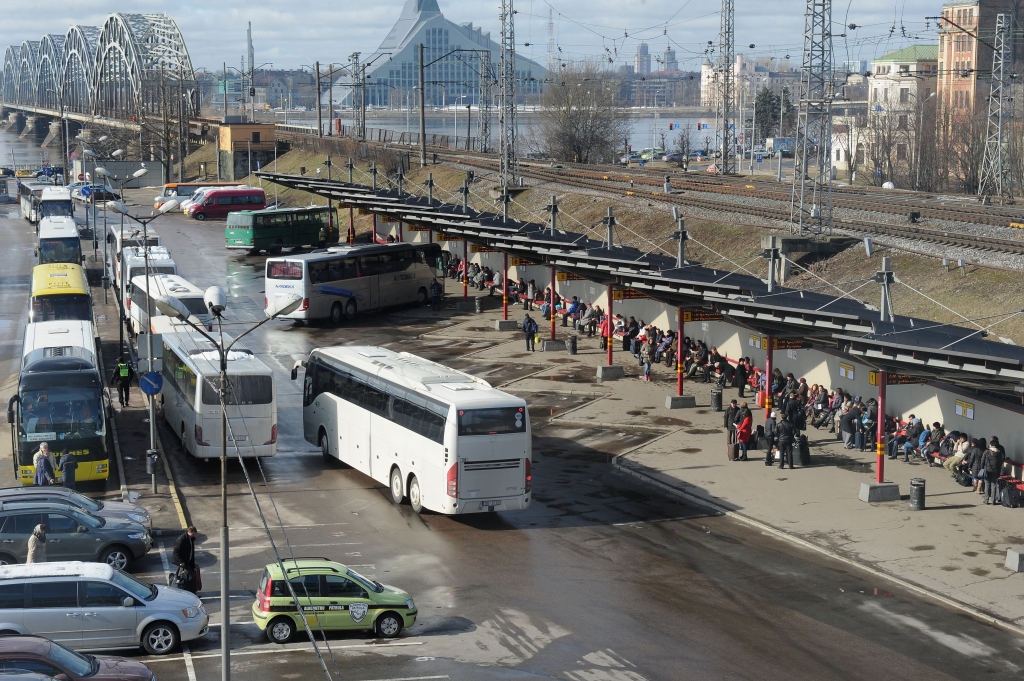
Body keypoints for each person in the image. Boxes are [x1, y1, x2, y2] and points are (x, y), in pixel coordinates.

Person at [172, 526, 199, 593]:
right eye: (193, 534)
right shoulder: (182, 539)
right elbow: (176, 551)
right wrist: (181, 561)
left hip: (188, 561)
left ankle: (190, 591)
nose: (194, 535)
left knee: (188, 577)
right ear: (189, 532)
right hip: (184, 562)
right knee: (190, 577)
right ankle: (190, 592)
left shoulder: (190, 538)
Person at [981, 437, 1005, 505]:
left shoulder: (987, 452)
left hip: (987, 470)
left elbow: (982, 460)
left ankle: (986, 500)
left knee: (987, 485)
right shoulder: (999, 452)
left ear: (990, 445)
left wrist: (982, 468)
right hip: (995, 470)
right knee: (993, 485)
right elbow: (1001, 462)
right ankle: (993, 500)